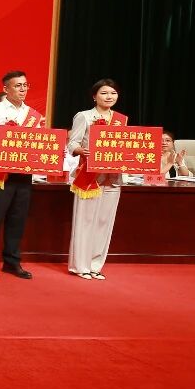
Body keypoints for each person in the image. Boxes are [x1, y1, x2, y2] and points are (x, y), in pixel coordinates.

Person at [0, 70, 44, 280]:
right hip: (0, 173)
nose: (23, 89)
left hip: (24, 172)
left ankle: (12, 262)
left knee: (18, 219)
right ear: (6, 89)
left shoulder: (33, 114)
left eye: (25, 85)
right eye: (17, 85)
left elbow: (40, 142)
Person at [66, 79, 127, 280]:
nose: (109, 97)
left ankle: (95, 265)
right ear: (94, 96)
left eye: (113, 93)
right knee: (85, 221)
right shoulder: (84, 116)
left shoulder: (121, 120)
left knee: (103, 223)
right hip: (89, 176)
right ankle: (80, 266)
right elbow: (72, 143)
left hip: (113, 176)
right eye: (104, 93)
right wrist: (80, 150)